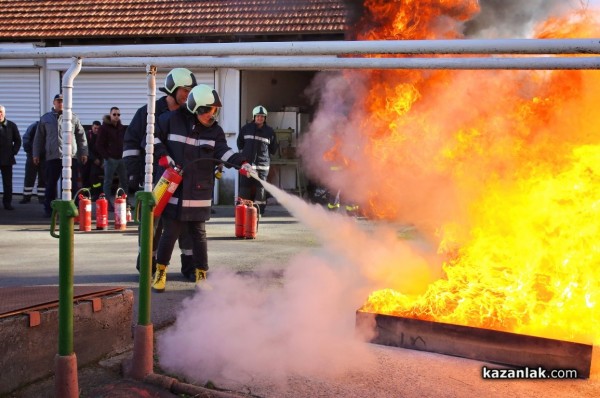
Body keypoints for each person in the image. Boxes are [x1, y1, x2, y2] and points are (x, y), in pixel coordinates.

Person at [152, 84, 250, 292]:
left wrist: (242, 163)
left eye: (214, 111)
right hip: (175, 190)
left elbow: (223, 152)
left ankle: (201, 274)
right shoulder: (171, 120)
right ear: (195, 108)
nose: (211, 116)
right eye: (207, 111)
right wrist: (163, 155)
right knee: (170, 232)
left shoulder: (215, 132)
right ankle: (160, 272)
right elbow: (152, 136)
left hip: (199, 191)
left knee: (199, 234)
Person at [123, 68, 197, 278]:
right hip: (156, 179)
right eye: (185, 90)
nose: (188, 95)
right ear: (172, 89)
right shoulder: (148, 112)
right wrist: (134, 176)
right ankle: (147, 265)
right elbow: (131, 145)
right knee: (152, 225)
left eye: (191, 91)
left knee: (186, 223)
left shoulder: (189, 114)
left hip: (183, 180)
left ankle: (190, 267)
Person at [33, 94, 88, 217]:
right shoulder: (45, 118)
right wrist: (36, 154)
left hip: (70, 157)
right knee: (51, 184)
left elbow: (81, 136)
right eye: (58, 101)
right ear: (54, 102)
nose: (60, 103)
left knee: (73, 184)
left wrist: (84, 152)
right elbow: (39, 138)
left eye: (63, 101)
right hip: (53, 156)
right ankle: (49, 210)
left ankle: (74, 208)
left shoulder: (73, 118)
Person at [237, 105, 278, 215]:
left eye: (262, 116)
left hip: (262, 165)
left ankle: (259, 211)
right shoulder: (246, 129)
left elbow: (273, 149)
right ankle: (243, 210)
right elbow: (239, 144)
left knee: (261, 189)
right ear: (254, 117)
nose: (260, 118)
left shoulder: (270, 132)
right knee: (245, 187)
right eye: (258, 116)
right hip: (248, 165)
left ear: (265, 118)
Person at [96, 107, 127, 201]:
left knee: (124, 181)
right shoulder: (104, 128)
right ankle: (107, 202)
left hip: (121, 158)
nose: (116, 116)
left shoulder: (121, 127)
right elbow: (98, 145)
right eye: (114, 114)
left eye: (118, 114)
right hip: (110, 159)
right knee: (108, 182)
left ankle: (124, 200)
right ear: (110, 115)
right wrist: (107, 157)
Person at [0, 105, 22, 210]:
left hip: (7, 159)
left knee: (7, 183)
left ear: (4, 113)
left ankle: (7, 203)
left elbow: (18, 140)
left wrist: (13, 152)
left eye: (1, 112)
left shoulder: (11, 125)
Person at [20, 121, 46, 204]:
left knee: (43, 177)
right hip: (32, 156)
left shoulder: (49, 127)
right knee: (29, 177)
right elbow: (26, 139)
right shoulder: (34, 127)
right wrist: (31, 153)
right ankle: (26, 197)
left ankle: (42, 197)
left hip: (44, 157)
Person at [80, 120, 104, 199]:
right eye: (95, 128)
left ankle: (97, 193)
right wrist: (94, 159)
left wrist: (101, 161)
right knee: (85, 177)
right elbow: (85, 148)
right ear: (92, 127)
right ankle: (86, 194)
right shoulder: (87, 135)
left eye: (98, 129)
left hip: (97, 161)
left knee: (94, 176)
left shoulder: (102, 136)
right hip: (87, 159)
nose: (96, 130)